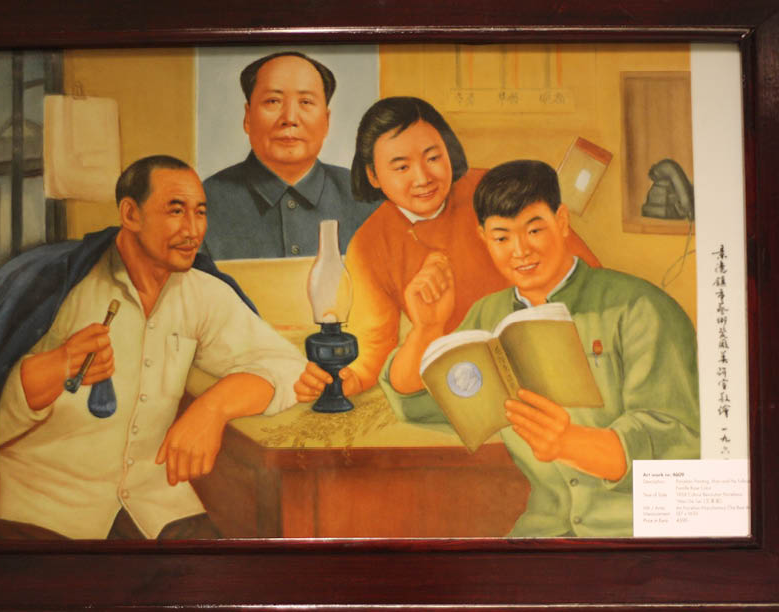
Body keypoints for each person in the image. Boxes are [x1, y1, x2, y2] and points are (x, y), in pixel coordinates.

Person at [0, 155, 306, 540]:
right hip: (45, 510)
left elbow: (290, 368)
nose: (193, 230)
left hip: (155, 504)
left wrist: (214, 407)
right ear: (130, 214)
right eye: (176, 211)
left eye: (200, 212)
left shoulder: (201, 292)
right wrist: (56, 368)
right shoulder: (58, 289)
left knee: (219, 571)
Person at [379, 159, 700, 537]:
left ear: (561, 222)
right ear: (483, 237)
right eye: (502, 238)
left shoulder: (639, 308)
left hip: (635, 534)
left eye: (534, 230)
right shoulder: (488, 316)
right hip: (543, 533)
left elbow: (678, 442)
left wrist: (569, 443)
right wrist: (426, 329)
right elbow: (421, 402)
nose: (520, 250)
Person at [294, 97, 600, 400]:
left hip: (559, 349)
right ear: (372, 175)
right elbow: (372, 346)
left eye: (433, 158)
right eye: (402, 167)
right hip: (469, 377)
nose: (422, 178)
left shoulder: (493, 192)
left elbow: (584, 274)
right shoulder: (369, 244)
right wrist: (345, 379)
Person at [202, 51, 377, 260]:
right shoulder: (204, 202)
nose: (290, 118)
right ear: (248, 117)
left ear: (326, 121)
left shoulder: (368, 199)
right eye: (273, 101)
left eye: (306, 102)